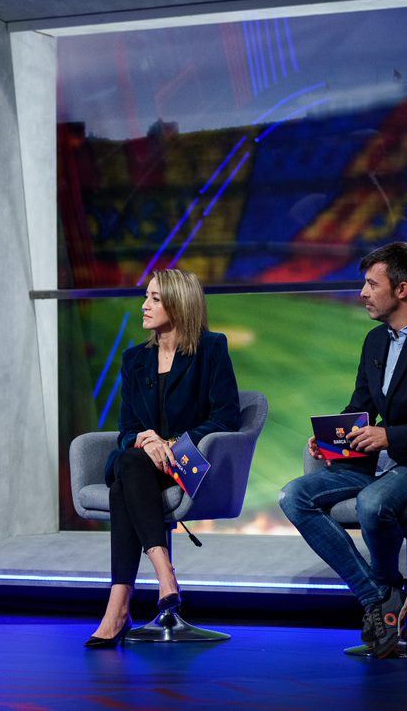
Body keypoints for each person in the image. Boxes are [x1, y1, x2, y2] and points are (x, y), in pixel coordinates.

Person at [279, 242, 407, 658]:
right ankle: (380, 596)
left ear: (402, 289)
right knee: (293, 496)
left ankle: (384, 597)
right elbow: (359, 408)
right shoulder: (375, 341)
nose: (362, 293)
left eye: (372, 284)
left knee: (373, 504)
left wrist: (393, 436)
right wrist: (331, 439)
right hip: (375, 462)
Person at [86, 268, 241, 648]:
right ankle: (162, 573)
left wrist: (170, 443)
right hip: (142, 464)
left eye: (155, 298)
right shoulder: (135, 359)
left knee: (126, 472)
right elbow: (126, 428)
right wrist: (143, 439)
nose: (145, 305)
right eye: (146, 296)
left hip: (189, 463)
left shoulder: (211, 348)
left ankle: (119, 607)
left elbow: (226, 416)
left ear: (179, 303)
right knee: (130, 462)